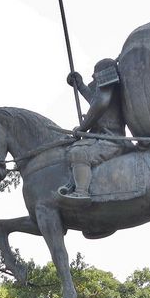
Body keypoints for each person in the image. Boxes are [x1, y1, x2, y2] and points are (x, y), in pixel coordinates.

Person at [58, 58, 127, 200]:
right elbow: (95, 100)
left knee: (79, 153)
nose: (93, 76)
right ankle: (74, 182)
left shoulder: (109, 84)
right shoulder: (108, 91)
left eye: (95, 73)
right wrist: (80, 85)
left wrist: (82, 128)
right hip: (100, 137)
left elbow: (100, 104)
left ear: (104, 73)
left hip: (110, 139)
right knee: (70, 147)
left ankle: (82, 192)